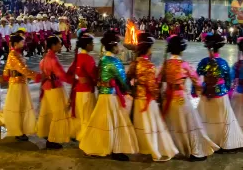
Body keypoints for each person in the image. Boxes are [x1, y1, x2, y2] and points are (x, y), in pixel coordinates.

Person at [79, 30, 139, 161]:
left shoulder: (103, 59)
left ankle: (97, 146)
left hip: (102, 95)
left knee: (102, 122)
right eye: (118, 45)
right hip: (112, 96)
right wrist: (131, 91)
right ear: (113, 46)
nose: (120, 48)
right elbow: (123, 81)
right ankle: (116, 149)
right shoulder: (115, 62)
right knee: (116, 122)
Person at [161, 35, 218, 161]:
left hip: (168, 100)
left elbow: (159, 80)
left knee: (170, 124)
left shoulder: (166, 64)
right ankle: (194, 151)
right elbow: (197, 81)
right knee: (190, 125)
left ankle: (170, 149)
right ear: (182, 50)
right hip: (181, 99)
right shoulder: (184, 65)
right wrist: (199, 91)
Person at [127, 32, 178, 162]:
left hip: (138, 99)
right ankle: (153, 149)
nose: (152, 51)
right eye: (151, 48)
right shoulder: (149, 66)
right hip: (148, 100)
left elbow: (127, 78)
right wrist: (158, 96)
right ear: (147, 49)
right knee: (152, 125)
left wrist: (132, 90)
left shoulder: (135, 63)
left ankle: (141, 146)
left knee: (140, 124)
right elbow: (152, 86)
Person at [196, 33, 243, 152]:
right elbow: (228, 80)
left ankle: (206, 141)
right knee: (225, 119)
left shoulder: (203, 62)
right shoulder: (223, 63)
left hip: (206, 94)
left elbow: (197, 76)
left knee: (204, 118)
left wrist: (195, 90)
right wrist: (228, 91)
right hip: (220, 95)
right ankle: (227, 144)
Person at [3, 34, 41, 141]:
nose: (23, 43)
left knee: (21, 106)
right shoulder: (13, 55)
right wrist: (36, 76)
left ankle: (21, 129)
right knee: (17, 107)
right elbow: (23, 70)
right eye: (22, 42)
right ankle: (17, 131)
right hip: (17, 84)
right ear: (15, 43)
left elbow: (6, 68)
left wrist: (6, 75)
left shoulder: (16, 54)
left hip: (20, 82)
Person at [37, 36, 71, 149]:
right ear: (53, 45)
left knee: (49, 112)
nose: (61, 45)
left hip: (47, 88)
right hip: (54, 88)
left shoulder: (45, 58)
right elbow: (62, 75)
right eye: (59, 43)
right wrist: (75, 82)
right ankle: (53, 139)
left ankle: (47, 133)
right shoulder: (53, 60)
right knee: (58, 113)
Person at [67, 29, 97, 141]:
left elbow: (69, 73)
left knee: (80, 115)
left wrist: (78, 79)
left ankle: (80, 136)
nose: (93, 46)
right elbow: (94, 76)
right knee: (87, 117)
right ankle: (86, 140)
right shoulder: (88, 59)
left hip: (78, 91)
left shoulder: (77, 57)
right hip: (86, 91)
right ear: (88, 45)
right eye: (92, 44)